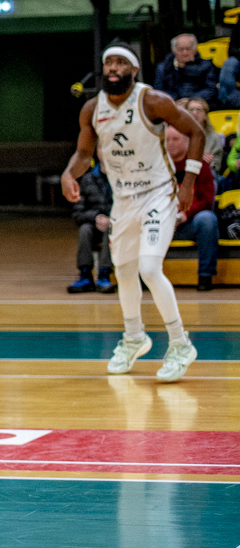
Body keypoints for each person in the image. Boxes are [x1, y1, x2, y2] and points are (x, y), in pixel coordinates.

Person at [60, 43, 202, 382]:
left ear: (134, 70)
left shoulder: (152, 100)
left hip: (158, 193)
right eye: (108, 62)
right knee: (123, 272)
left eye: (121, 62)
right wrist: (68, 173)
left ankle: (180, 343)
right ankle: (134, 337)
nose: (113, 67)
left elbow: (196, 132)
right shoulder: (92, 108)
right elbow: (84, 153)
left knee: (149, 268)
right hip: (123, 198)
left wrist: (188, 182)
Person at [166, 121, 220, 292]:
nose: (170, 143)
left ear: (186, 142)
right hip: (161, 221)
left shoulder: (199, 166)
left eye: (175, 139)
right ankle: (141, 277)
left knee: (207, 219)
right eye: (167, 140)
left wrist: (184, 215)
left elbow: (206, 200)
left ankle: (205, 276)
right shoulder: (156, 166)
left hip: (188, 222)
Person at [68, 159, 114, 294]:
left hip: (116, 224)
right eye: (100, 148)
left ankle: (104, 274)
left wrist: (111, 220)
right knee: (85, 229)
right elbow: (77, 213)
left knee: (110, 230)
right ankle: (85, 274)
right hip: (94, 223)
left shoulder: (123, 177)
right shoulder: (87, 179)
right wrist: (96, 217)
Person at [154, 33, 218, 105]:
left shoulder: (207, 66)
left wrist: (191, 100)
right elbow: (158, 90)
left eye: (188, 49)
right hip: (172, 104)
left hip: (198, 104)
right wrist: (176, 101)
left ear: (195, 50)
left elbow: (211, 89)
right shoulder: (162, 68)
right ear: (174, 50)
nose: (185, 52)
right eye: (181, 49)